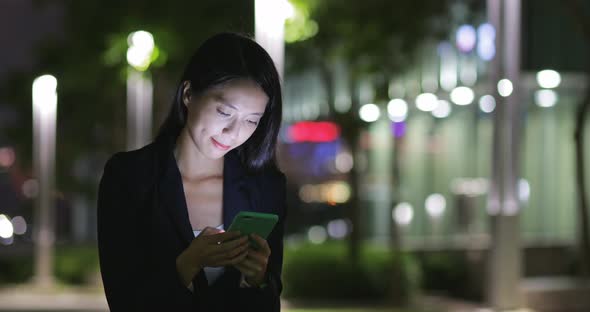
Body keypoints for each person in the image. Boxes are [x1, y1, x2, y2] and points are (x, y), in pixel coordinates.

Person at [97, 32, 287, 311]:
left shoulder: (266, 187)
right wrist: (187, 264)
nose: (233, 133)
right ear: (188, 94)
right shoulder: (130, 177)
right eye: (224, 112)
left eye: (251, 120)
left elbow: (269, 304)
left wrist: (256, 279)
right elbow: (123, 299)